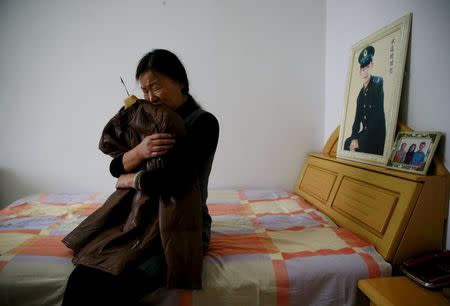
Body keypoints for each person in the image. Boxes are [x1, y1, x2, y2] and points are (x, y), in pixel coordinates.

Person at [62, 49, 219, 305]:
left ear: (180, 81)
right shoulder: (149, 119)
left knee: (110, 286)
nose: (149, 97)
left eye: (155, 87)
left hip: (180, 225)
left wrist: (131, 180)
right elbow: (115, 167)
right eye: (144, 90)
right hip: (139, 219)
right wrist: (139, 151)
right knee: (82, 275)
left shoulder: (203, 123)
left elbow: (174, 182)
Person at [344, 45, 386, 155]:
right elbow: (357, 120)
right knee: (347, 143)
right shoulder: (360, 95)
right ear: (360, 72)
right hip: (365, 133)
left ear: (371, 66)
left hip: (376, 135)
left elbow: (377, 119)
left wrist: (359, 142)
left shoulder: (377, 83)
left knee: (358, 146)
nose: (365, 72)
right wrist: (354, 138)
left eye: (367, 68)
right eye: (363, 69)